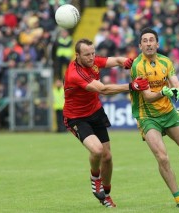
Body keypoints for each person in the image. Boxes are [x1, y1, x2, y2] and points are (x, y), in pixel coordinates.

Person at [62, 38, 149, 208]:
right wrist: (132, 86)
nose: (92, 57)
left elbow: (116, 60)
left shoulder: (93, 61)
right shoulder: (75, 73)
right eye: (87, 55)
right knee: (97, 150)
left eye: (93, 53)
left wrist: (129, 62)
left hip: (95, 112)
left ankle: (106, 195)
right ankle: (95, 177)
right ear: (77, 55)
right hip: (76, 117)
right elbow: (103, 89)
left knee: (107, 157)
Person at [129, 28, 179, 208]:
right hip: (147, 116)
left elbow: (177, 84)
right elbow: (148, 96)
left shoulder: (166, 61)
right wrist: (164, 91)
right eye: (145, 40)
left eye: (152, 40)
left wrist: (177, 90)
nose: (149, 43)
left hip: (168, 112)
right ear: (140, 45)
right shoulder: (137, 66)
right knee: (162, 157)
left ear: (157, 44)